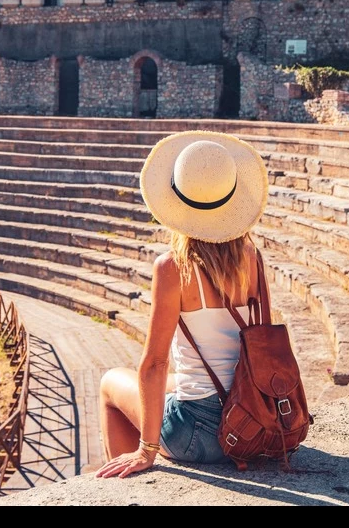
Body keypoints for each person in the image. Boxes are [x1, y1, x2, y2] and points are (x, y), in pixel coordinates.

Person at [96, 131, 269, 478]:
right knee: (176, 382)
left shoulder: (173, 267)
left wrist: (148, 449)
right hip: (253, 425)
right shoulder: (253, 258)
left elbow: (154, 363)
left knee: (111, 382)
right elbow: (263, 338)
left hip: (197, 436)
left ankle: (126, 484)